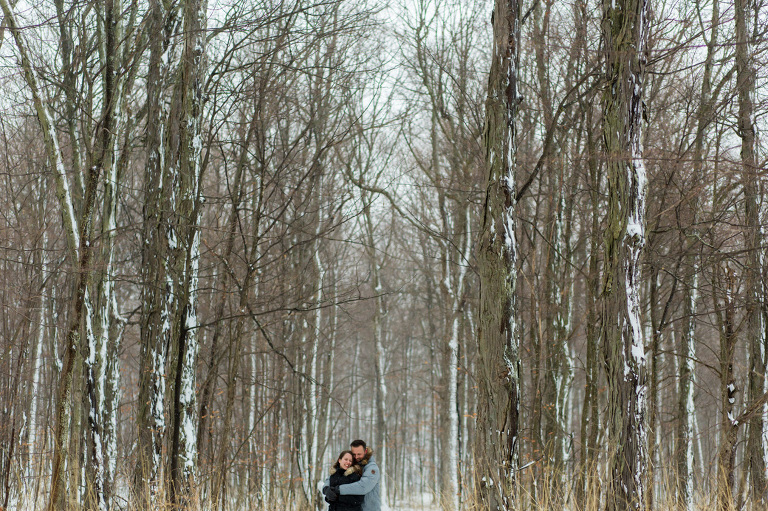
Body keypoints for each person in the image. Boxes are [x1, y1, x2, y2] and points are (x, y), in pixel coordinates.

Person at [324, 440, 380, 511]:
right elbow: (332, 477)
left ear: (365, 451)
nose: (356, 457)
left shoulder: (372, 468)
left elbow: (363, 487)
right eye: (354, 454)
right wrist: (326, 489)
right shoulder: (352, 465)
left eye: (359, 454)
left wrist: (338, 489)